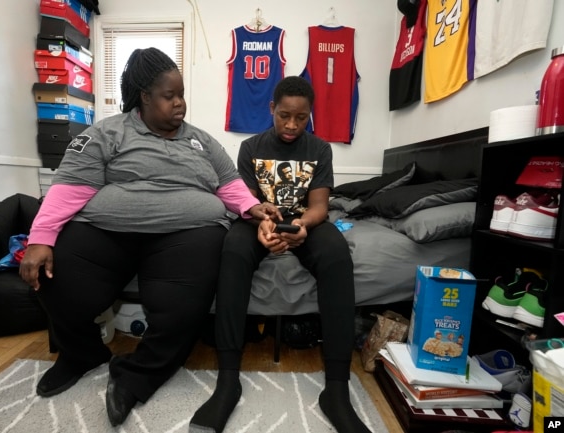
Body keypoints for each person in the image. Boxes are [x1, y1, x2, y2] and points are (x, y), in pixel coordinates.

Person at [19, 47, 279, 427]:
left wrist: (254, 208)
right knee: (50, 276)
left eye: (182, 94)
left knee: (182, 307)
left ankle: (138, 376)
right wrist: (40, 238)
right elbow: (69, 187)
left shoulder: (202, 142)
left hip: (185, 236)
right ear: (144, 96)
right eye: (169, 96)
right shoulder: (108, 132)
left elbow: (230, 184)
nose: (180, 104)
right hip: (107, 231)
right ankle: (81, 354)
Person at [189, 76, 372, 433]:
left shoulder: (319, 149)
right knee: (234, 250)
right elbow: (249, 202)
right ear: (272, 109)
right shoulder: (250, 147)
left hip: (305, 223)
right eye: (284, 115)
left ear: (310, 115)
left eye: (301, 118)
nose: (291, 125)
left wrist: (301, 225)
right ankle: (228, 380)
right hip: (261, 219)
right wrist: (262, 223)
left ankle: (336, 389)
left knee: (337, 256)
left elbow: (320, 206)